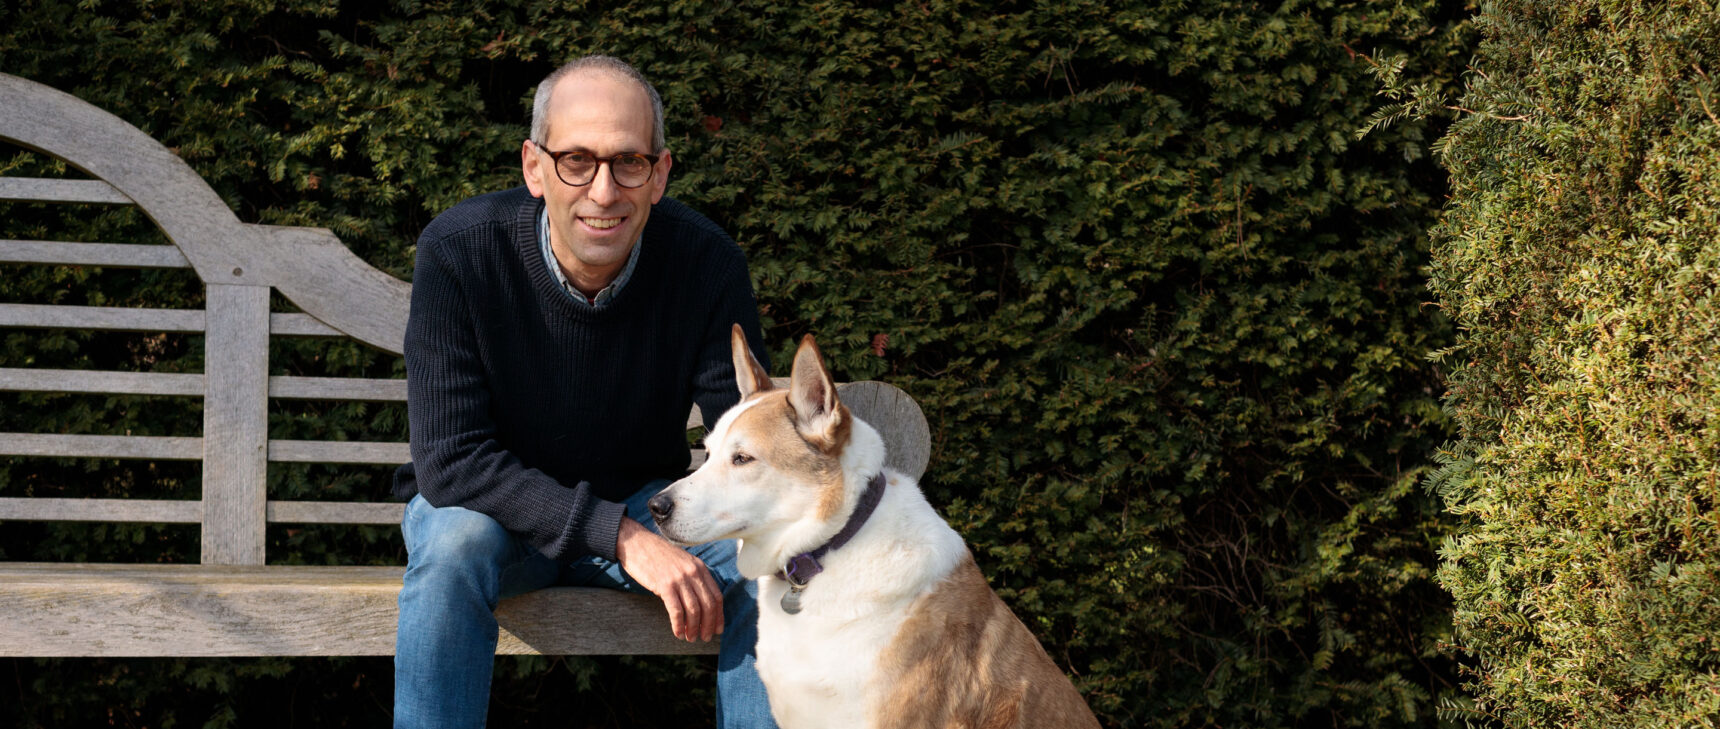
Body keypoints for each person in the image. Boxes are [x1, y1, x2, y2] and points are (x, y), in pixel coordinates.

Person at [391, 54, 777, 729]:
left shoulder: (706, 263)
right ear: (533, 167)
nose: (603, 191)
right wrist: (619, 535)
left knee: (770, 566)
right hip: (493, 518)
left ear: (659, 174)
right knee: (452, 544)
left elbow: (748, 436)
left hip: (643, 504)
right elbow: (452, 464)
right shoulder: (459, 252)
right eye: (576, 160)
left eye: (628, 162)